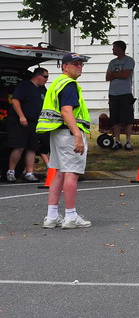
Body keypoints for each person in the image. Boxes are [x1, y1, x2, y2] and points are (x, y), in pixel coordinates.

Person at [37, 53, 91, 229]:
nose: (79, 67)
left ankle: (52, 216)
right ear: (65, 67)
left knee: (59, 172)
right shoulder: (69, 84)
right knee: (71, 173)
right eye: (75, 64)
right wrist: (77, 135)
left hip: (57, 133)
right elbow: (66, 111)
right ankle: (71, 216)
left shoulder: (56, 83)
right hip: (68, 133)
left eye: (81, 64)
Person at [5, 68, 48, 182]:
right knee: (19, 146)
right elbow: (15, 101)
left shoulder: (42, 89)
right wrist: (21, 116)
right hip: (20, 121)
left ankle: (29, 173)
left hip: (35, 122)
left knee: (32, 148)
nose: (47, 79)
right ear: (37, 76)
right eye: (45, 77)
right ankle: (11, 172)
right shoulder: (24, 86)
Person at [105, 40, 135, 150]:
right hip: (113, 94)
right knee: (115, 119)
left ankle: (128, 141)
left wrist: (114, 74)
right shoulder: (112, 62)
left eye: (114, 47)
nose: (112, 49)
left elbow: (125, 74)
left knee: (127, 119)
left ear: (120, 48)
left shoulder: (129, 60)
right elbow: (107, 77)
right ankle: (117, 141)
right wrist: (117, 74)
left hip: (125, 93)